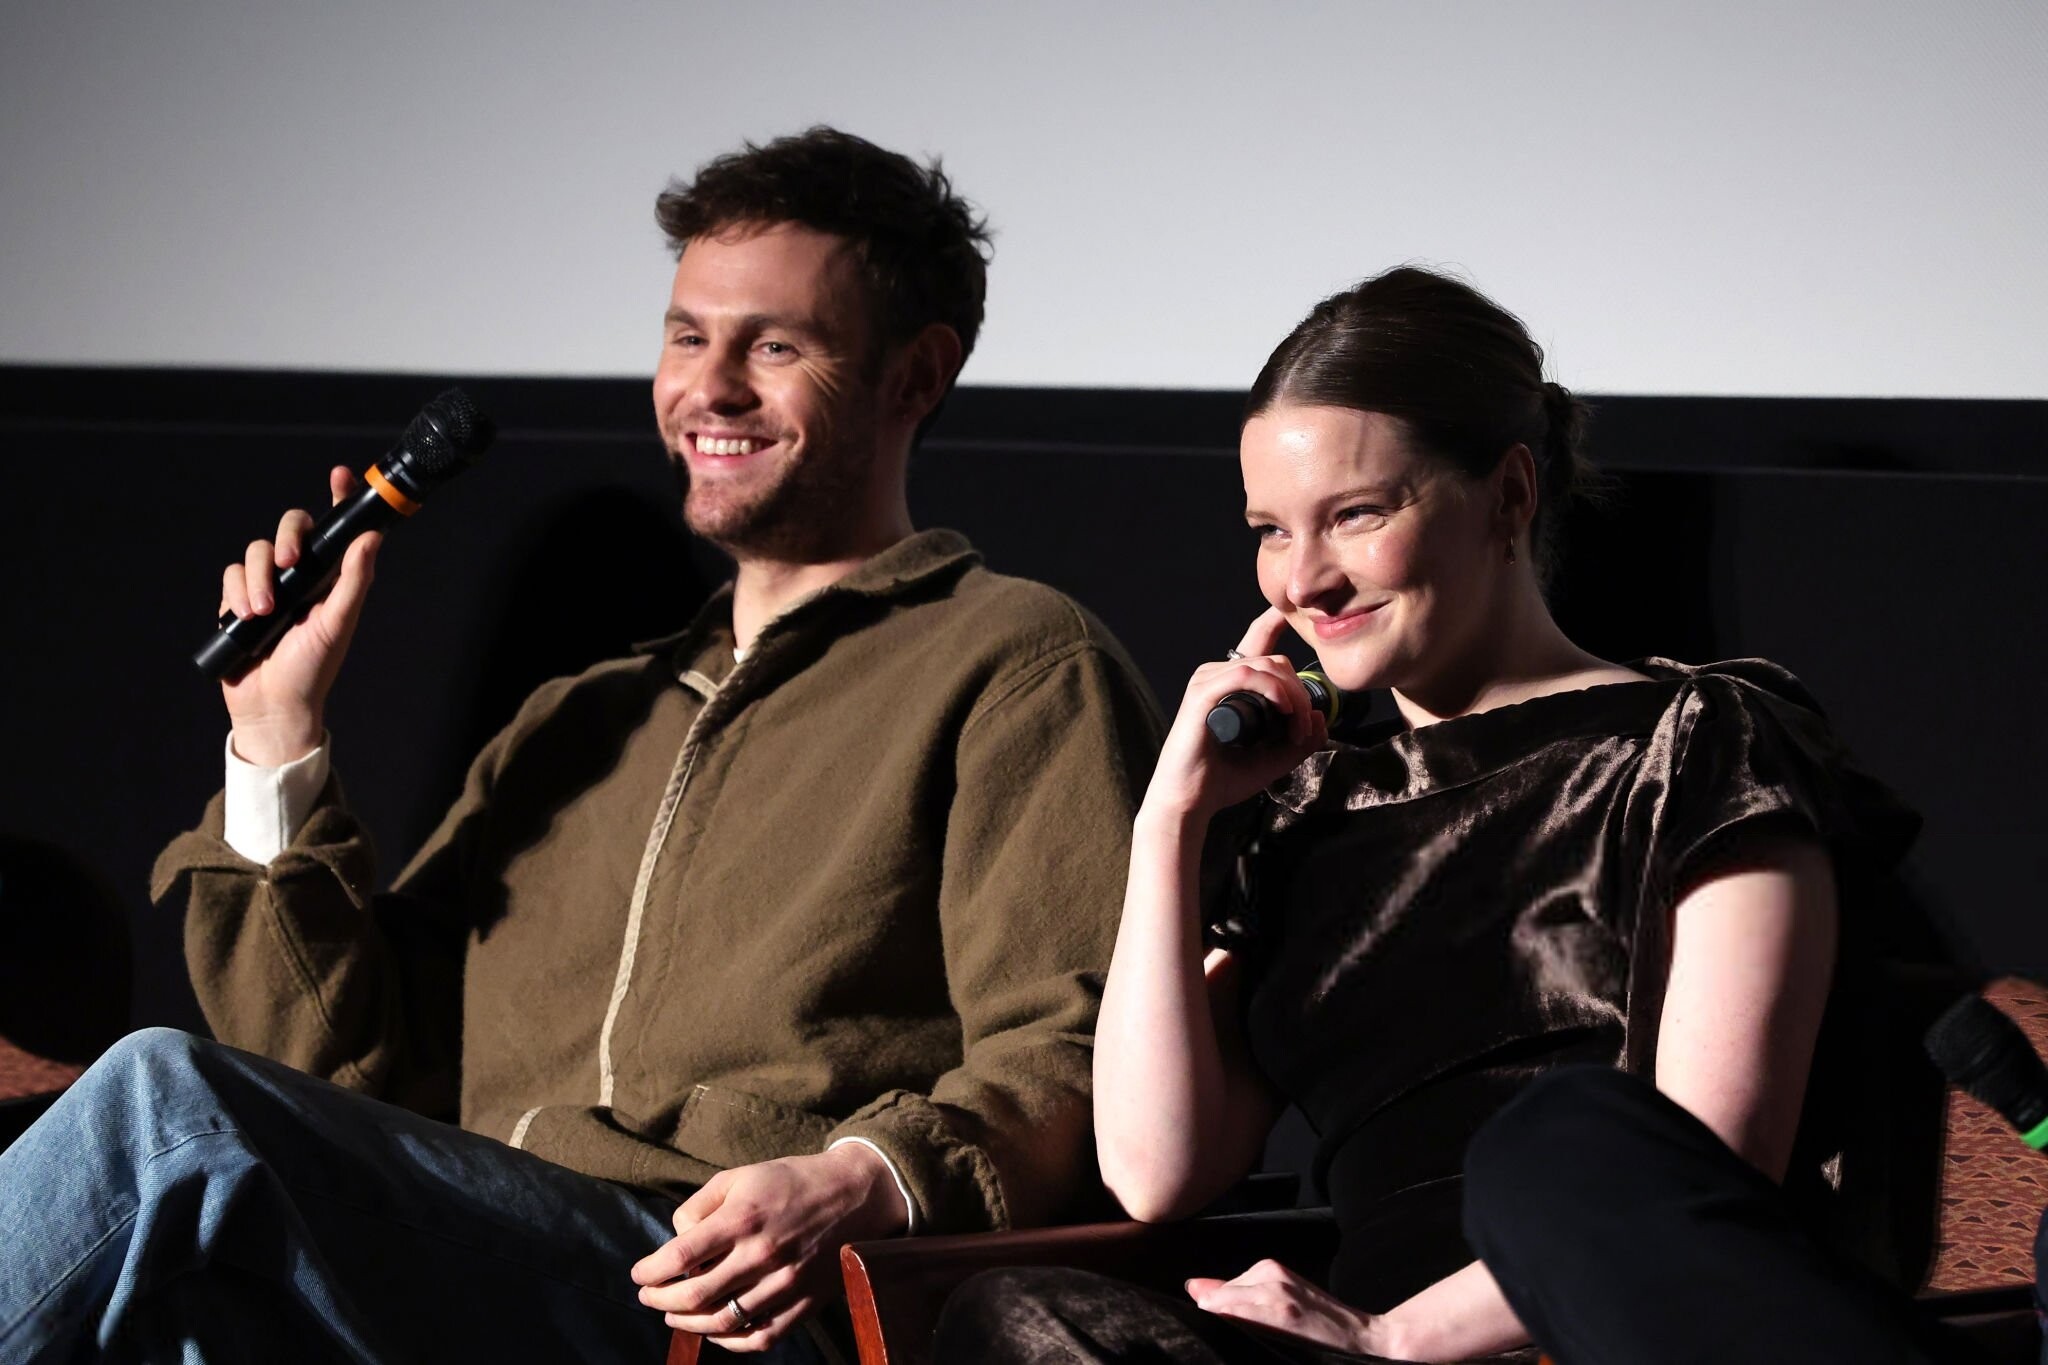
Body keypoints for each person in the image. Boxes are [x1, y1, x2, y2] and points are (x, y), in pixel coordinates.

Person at [0, 127, 1160, 1364]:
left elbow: (1077, 1047)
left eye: (774, 346)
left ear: (915, 375)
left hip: (716, 1294)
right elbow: (327, 1069)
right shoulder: (578, 722)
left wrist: (863, 1175)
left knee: (164, 1107)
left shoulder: (1013, 662)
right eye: (686, 336)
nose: (710, 388)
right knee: (184, 1289)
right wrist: (275, 731)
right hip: (472, 1261)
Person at [935, 266, 1921, 1364]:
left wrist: (1395, 1335)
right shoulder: (1308, 814)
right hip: (1352, 1345)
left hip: (1601, 1336)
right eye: (1271, 530)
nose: (1302, 580)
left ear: (1508, 495)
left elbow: (1712, 1164)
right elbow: (1155, 1170)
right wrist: (1171, 821)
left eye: (1353, 515)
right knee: (1015, 1316)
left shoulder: (1700, 744)